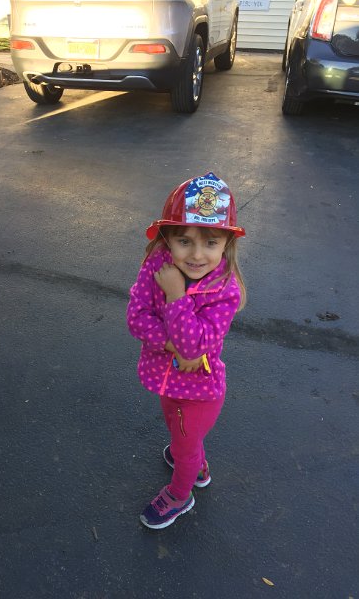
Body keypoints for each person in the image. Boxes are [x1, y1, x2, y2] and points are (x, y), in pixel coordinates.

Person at [126, 171, 246, 530]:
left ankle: (181, 495)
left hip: (200, 392)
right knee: (180, 435)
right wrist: (170, 345)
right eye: (184, 240)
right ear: (167, 238)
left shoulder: (225, 289)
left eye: (210, 242)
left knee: (183, 444)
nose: (196, 254)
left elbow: (194, 345)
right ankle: (198, 467)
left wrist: (176, 294)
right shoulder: (157, 266)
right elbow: (136, 318)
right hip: (167, 380)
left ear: (226, 243)